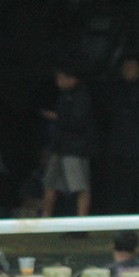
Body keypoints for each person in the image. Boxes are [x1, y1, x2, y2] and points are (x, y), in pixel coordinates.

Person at [40, 64, 97, 220]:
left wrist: (57, 118)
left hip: (75, 149)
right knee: (49, 183)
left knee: (80, 187)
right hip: (59, 147)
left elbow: (79, 123)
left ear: (73, 78)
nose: (59, 82)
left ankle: (81, 224)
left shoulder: (82, 96)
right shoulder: (63, 95)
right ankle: (45, 220)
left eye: (62, 78)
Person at [103, 56, 139, 215]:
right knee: (117, 182)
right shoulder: (115, 90)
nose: (128, 71)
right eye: (126, 67)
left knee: (136, 183)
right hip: (116, 145)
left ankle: (135, 216)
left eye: (132, 67)